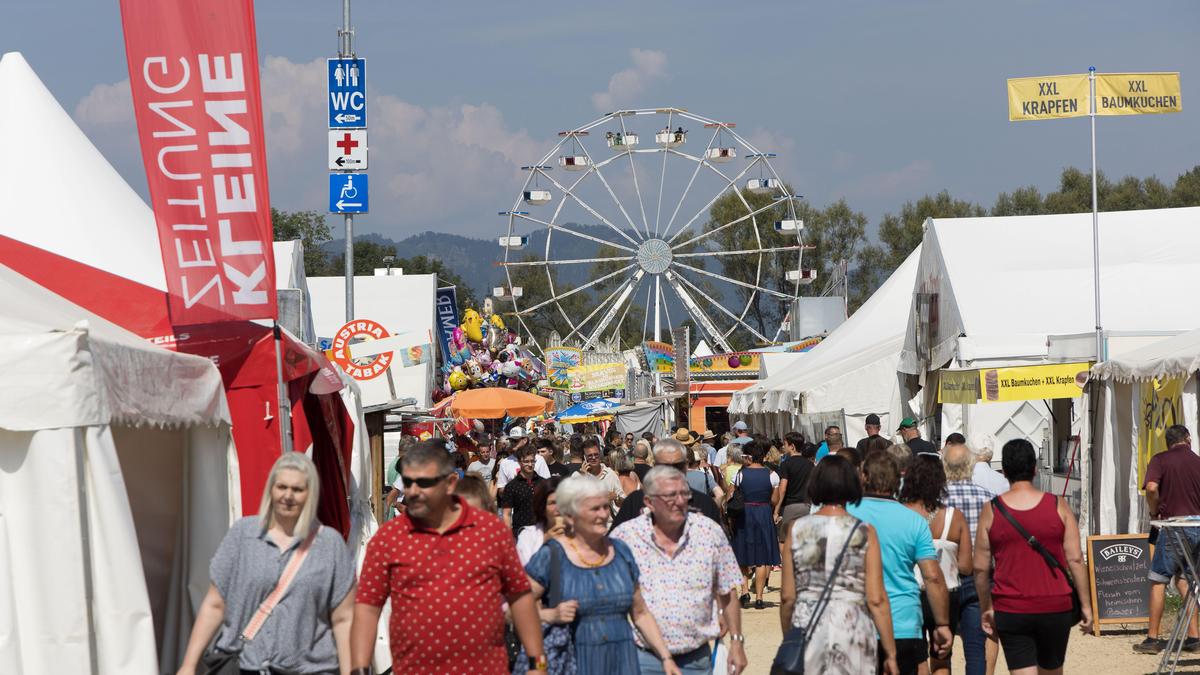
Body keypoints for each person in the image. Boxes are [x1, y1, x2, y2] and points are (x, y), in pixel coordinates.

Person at [350, 439, 547, 674]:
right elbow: (368, 607)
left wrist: (538, 664)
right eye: (407, 483)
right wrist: (358, 668)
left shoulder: (490, 531)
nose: (411, 492)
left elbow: (520, 596)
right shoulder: (388, 539)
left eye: (423, 483)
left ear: (451, 483)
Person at [176, 453, 356, 675]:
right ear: (271, 489)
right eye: (282, 487)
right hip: (244, 666)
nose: (288, 496)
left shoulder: (330, 544)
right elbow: (215, 605)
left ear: (311, 494)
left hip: (309, 669)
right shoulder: (243, 534)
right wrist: (188, 665)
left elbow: (344, 619)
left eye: (297, 489)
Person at [524, 474, 682, 675]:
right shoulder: (552, 555)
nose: (604, 515)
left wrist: (666, 658)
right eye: (594, 509)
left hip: (622, 662)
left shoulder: (621, 551)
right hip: (573, 664)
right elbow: (514, 611)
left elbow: (640, 613)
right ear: (571, 515)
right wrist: (549, 615)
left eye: (606, 507)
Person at [612, 465, 747, 675]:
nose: (680, 501)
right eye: (670, 495)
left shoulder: (708, 532)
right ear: (648, 502)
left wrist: (737, 642)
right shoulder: (626, 536)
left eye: (684, 494)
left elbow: (727, 590)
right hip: (642, 657)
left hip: (696, 657)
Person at [973, 438, 1093, 675]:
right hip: (1055, 604)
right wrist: (1087, 605)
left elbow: (980, 567)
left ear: (1004, 471)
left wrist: (986, 606)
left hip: (1010, 605)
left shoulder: (992, 510)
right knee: (1052, 670)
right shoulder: (1058, 505)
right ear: (1035, 469)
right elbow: (1076, 560)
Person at [780, 455, 899, 675]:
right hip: (852, 627)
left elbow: (788, 596)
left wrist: (789, 636)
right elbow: (876, 598)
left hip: (807, 624)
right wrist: (890, 653)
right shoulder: (865, 531)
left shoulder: (796, 530)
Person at [849, 450, 953, 675]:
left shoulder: (845, 515)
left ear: (864, 477)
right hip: (902, 622)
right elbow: (932, 577)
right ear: (898, 480)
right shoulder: (914, 521)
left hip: (854, 621)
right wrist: (942, 623)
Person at [900, 453, 973, 675]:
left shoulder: (901, 514)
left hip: (910, 593)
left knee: (917, 658)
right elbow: (966, 566)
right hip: (947, 593)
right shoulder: (955, 517)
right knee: (941, 658)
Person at [1135, 424, 1200, 654]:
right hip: (1198, 527)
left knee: (1158, 579)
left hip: (1174, 527)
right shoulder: (1198, 461)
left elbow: (1151, 488)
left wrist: (1154, 513)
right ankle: (1194, 637)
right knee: (1186, 580)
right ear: (1188, 439)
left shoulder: (1161, 459)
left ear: (1169, 442)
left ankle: (1152, 639)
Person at [942, 442, 996, 675]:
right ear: (971, 466)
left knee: (941, 648)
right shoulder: (989, 499)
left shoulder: (934, 500)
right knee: (976, 649)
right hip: (979, 576)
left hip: (943, 578)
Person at [611, 439, 723, 529]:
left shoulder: (705, 504)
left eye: (677, 466)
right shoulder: (634, 502)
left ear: (685, 466)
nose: (671, 472)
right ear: (655, 466)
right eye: (665, 466)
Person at [730, 440, 781, 610]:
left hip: (744, 513)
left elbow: (730, 495)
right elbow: (775, 499)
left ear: (749, 456)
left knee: (743, 552)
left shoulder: (739, 474)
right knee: (762, 556)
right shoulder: (772, 475)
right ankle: (759, 597)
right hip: (764, 512)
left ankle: (745, 592)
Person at [515, 476, 565, 565]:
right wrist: (545, 542)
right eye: (552, 503)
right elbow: (524, 570)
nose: (558, 507)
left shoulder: (579, 533)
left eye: (562, 501)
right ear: (542, 507)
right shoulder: (528, 536)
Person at [773, 431, 813, 539]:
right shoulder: (809, 464)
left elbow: (783, 489)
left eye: (785, 444)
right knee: (805, 538)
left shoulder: (786, 464)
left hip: (789, 507)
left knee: (784, 539)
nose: (783, 446)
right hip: (806, 505)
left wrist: (776, 510)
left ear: (792, 446)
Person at [502, 445, 546, 534]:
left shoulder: (543, 483)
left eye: (532, 461)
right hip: (520, 532)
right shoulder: (511, 486)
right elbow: (506, 514)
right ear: (519, 462)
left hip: (541, 531)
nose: (530, 464)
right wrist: (509, 536)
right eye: (526, 461)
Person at [580, 437, 624, 509]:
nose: (594, 458)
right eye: (590, 456)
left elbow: (622, 500)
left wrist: (616, 497)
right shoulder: (579, 476)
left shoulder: (610, 474)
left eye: (596, 454)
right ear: (585, 457)